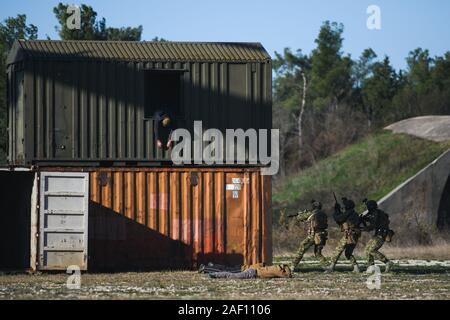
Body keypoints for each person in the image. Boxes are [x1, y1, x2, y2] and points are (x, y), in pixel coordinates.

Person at [325, 197, 362, 273]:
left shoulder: (349, 212)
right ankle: (356, 267)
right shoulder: (354, 213)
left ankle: (331, 267)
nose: (344, 207)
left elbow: (338, 218)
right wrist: (339, 209)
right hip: (354, 234)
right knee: (348, 253)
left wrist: (336, 210)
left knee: (338, 250)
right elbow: (343, 218)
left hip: (348, 235)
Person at [291, 200, 329, 269]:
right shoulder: (324, 214)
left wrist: (299, 214)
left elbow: (299, 218)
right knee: (318, 253)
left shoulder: (311, 213)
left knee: (301, 249)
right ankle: (327, 267)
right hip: (322, 235)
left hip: (313, 235)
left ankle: (292, 266)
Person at [361, 199, 395, 273]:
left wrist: (363, 228)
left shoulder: (377, 213)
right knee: (367, 250)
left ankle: (387, 262)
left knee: (372, 250)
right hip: (377, 234)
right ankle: (371, 267)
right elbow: (372, 220)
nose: (367, 208)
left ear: (371, 207)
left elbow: (373, 224)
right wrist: (364, 218)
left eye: (368, 206)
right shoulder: (376, 213)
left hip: (382, 234)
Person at [207, 263, 292, 279]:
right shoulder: (278, 270)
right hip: (252, 273)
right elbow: (287, 275)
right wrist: (289, 273)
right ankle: (215, 274)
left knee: (231, 273)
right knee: (232, 275)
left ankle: (214, 273)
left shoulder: (277, 268)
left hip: (252, 271)